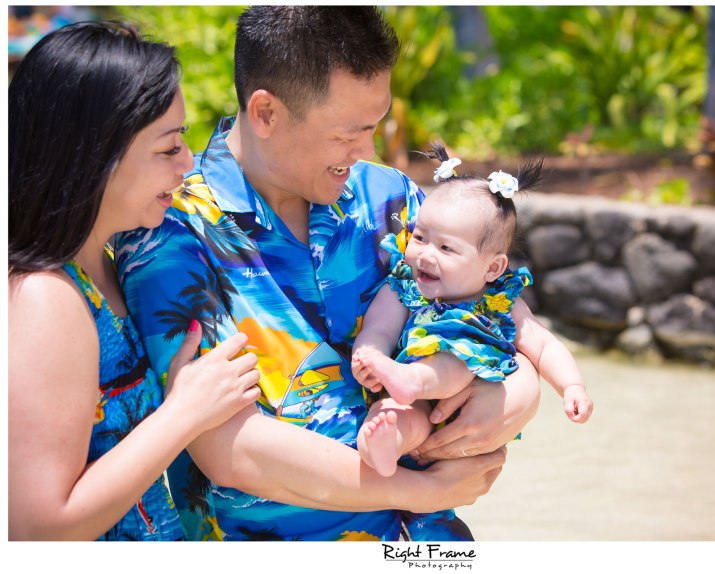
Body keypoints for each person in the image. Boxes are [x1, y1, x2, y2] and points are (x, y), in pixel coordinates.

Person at [113, 6, 536, 541]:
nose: (366, 151)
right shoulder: (168, 231)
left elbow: (494, 318)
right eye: (349, 133)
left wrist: (519, 395)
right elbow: (228, 448)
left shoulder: (391, 199)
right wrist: (421, 491)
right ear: (265, 112)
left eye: (375, 126)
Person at [8, 21, 262, 541]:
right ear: (95, 156)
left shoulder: (101, 262)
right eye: (168, 148)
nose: (187, 164)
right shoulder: (44, 298)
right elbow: (37, 527)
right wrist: (184, 413)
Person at [353, 143, 594, 477]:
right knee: (391, 413)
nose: (425, 254)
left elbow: (543, 344)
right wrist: (370, 360)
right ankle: (382, 447)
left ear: (493, 268)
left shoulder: (501, 301)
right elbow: (378, 330)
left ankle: (411, 383)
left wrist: (571, 386)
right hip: (415, 399)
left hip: (471, 396)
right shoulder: (404, 289)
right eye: (420, 237)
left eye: (446, 248)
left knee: (457, 362)